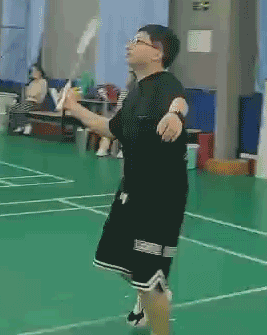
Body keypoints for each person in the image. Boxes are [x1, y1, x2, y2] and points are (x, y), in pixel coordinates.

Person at [63, 24, 189, 335]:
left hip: (160, 197)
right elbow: (110, 129)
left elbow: (179, 101)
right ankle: (147, 296)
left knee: (150, 278)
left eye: (139, 41)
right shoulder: (134, 92)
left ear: (158, 53)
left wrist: (175, 116)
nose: (129, 45)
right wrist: (75, 108)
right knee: (121, 261)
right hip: (130, 191)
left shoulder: (166, 84)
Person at [96, 69, 137, 159]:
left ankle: (105, 150)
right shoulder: (122, 90)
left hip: (119, 118)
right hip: (115, 118)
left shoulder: (126, 92)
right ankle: (104, 150)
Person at [9, 64, 48, 135]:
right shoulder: (32, 83)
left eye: (35, 71)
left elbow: (38, 94)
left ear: (40, 73)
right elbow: (28, 93)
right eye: (33, 72)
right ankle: (20, 125)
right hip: (28, 101)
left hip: (36, 103)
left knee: (22, 107)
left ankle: (27, 125)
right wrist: (31, 94)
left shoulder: (43, 82)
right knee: (13, 107)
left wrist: (32, 94)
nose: (33, 73)